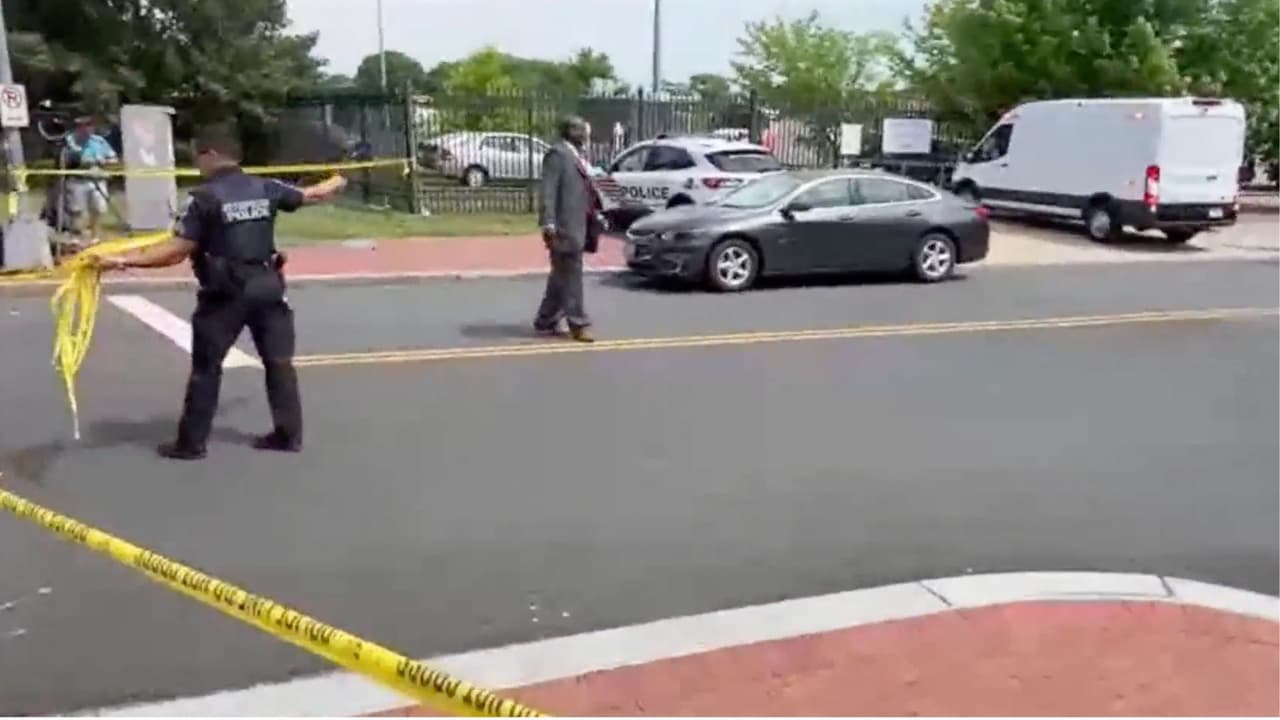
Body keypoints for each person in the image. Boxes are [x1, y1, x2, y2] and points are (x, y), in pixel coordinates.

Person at [96, 127, 348, 460]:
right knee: (279, 363)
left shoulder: (204, 197)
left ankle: (191, 443)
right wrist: (339, 179)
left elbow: (175, 250)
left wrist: (123, 260)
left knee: (207, 368)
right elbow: (314, 195)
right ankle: (289, 436)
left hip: (225, 293)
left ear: (211, 155)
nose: (197, 164)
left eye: (198, 156)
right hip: (268, 286)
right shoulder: (265, 187)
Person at [535, 116, 603, 343]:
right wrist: (549, 221)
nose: (586, 133)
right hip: (564, 226)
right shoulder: (558, 154)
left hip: (578, 224)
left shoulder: (576, 155)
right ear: (572, 131)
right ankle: (579, 324)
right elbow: (548, 190)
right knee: (571, 275)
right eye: (582, 129)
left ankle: (545, 320)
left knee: (561, 275)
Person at [63, 116, 121, 245]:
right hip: (77, 181)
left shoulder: (99, 141)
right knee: (76, 211)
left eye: (89, 125)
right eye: (83, 126)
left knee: (98, 209)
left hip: (97, 180)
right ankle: (76, 238)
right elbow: (65, 160)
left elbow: (113, 159)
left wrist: (102, 162)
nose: (86, 129)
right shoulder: (70, 141)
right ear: (77, 127)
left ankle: (95, 237)